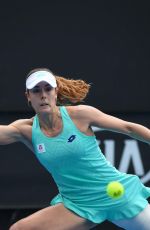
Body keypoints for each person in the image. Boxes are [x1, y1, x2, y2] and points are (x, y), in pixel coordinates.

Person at [1, 68, 150, 230]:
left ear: (56, 92)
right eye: (36, 90)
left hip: (118, 197)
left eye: (48, 89)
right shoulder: (25, 130)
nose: (43, 95)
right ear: (28, 96)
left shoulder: (80, 115)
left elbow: (128, 128)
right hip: (78, 205)